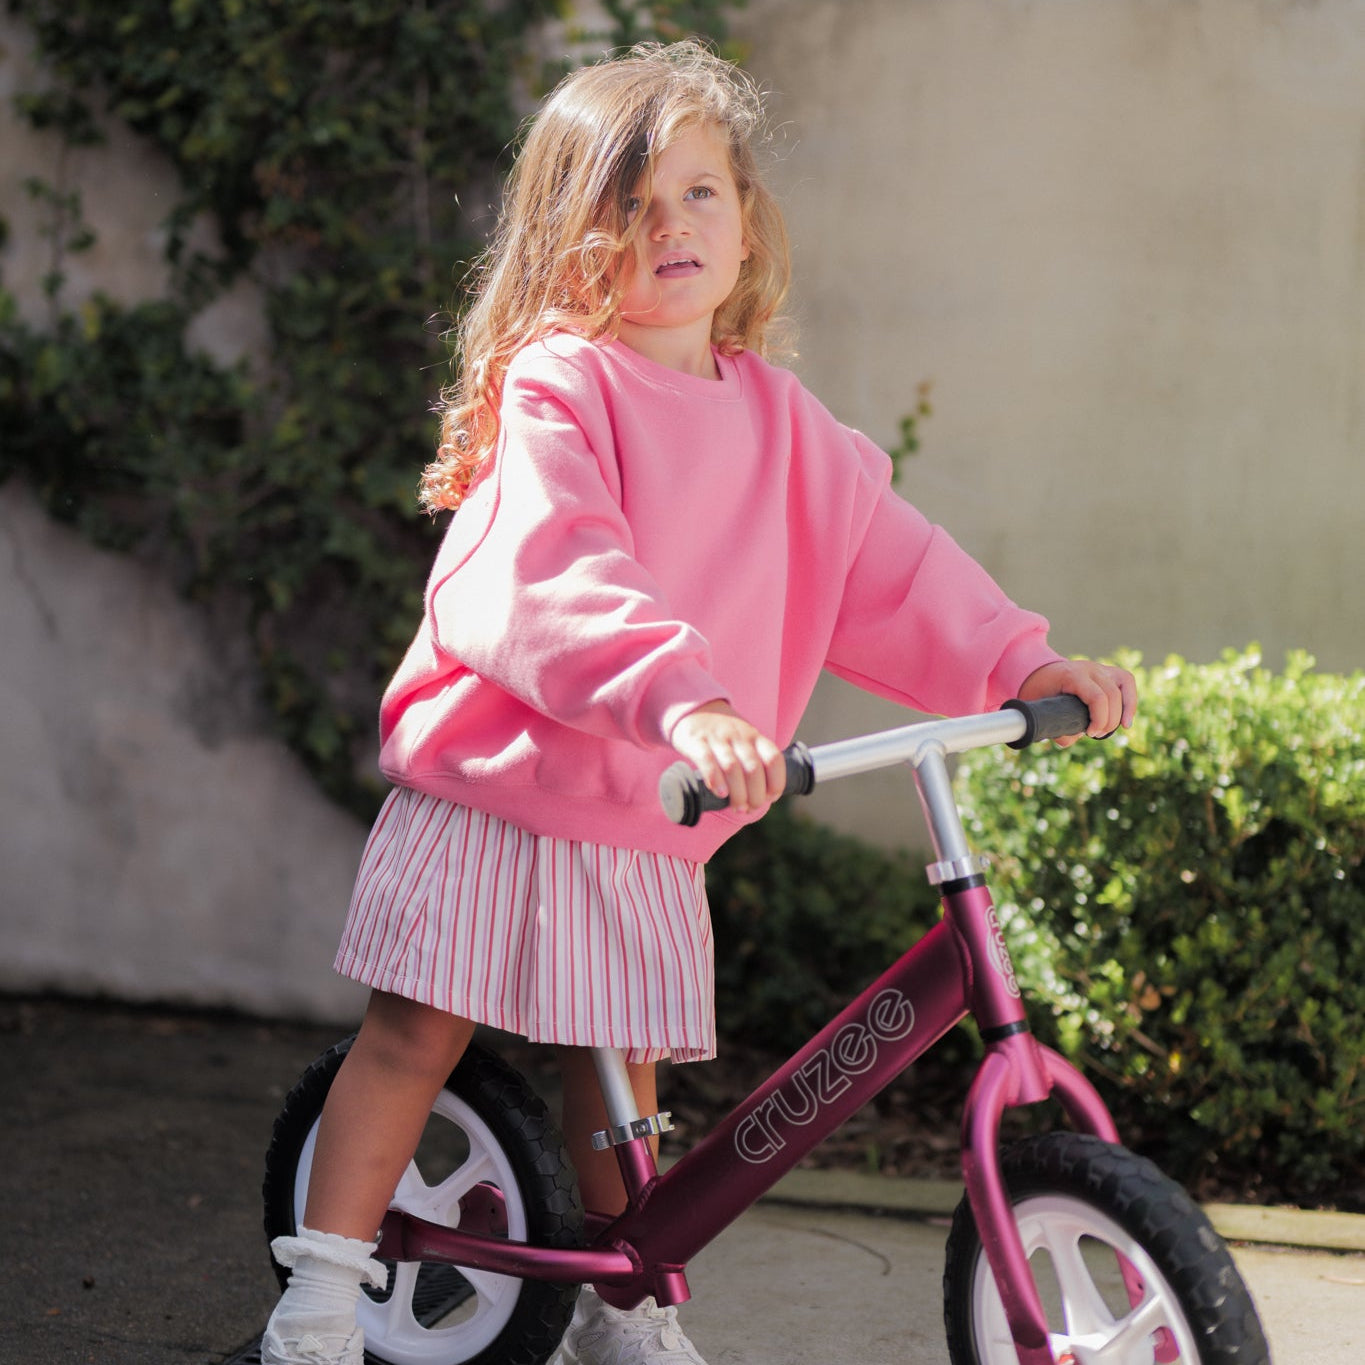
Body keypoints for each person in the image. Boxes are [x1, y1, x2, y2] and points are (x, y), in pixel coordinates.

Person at [260, 38, 1137, 1365]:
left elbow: (890, 566)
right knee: (413, 1035)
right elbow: (561, 566)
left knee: (621, 1090)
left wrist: (1019, 664)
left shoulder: (784, 427)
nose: (670, 226)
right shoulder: (565, 385)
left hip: (645, 810)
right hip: (505, 786)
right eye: (629, 202)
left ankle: (620, 1301)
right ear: (571, 240)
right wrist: (684, 699)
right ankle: (323, 1287)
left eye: (699, 193)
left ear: (745, 223)